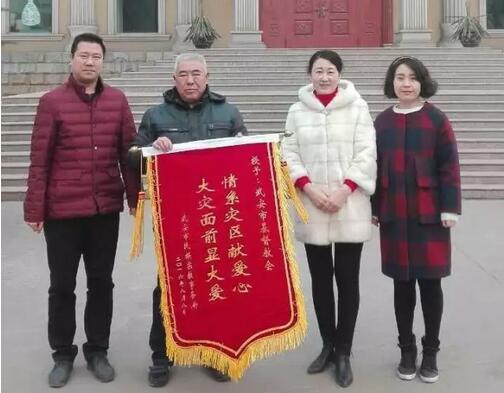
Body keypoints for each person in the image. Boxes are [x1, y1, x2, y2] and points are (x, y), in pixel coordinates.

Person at [23, 33, 139, 388]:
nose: (90, 62)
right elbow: (39, 159)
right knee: (62, 286)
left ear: (103, 61)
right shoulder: (52, 102)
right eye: (84, 55)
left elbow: (129, 155)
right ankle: (62, 354)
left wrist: (135, 200)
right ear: (72, 59)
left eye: (96, 56)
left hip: (104, 210)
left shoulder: (118, 101)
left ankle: (97, 350)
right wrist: (34, 208)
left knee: (102, 283)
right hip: (62, 213)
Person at [128, 52, 247, 387]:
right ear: (174, 78)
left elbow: (247, 153)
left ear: (207, 76)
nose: (190, 80)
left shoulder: (228, 112)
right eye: (184, 74)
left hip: (217, 219)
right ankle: (161, 355)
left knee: (215, 286)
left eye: (196, 73)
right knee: (168, 285)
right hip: (174, 220)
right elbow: (132, 156)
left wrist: (239, 147)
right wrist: (152, 146)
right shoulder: (156, 116)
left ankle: (214, 351)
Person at [281, 50, 376, 388]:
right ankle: (327, 345)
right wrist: (307, 186)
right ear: (310, 75)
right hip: (312, 203)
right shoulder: (296, 111)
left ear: (340, 74)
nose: (324, 77)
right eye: (318, 71)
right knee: (321, 281)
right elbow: (287, 154)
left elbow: (367, 153)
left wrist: (344, 190)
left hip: (348, 203)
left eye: (330, 71)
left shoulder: (357, 107)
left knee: (347, 281)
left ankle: (345, 352)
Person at [372, 56, 461, 383]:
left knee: (430, 284)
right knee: (402, 285)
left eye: (412, 77)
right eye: (399, 77)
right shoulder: (381, 122)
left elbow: (449, 167)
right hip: (394, 214)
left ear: (422, 82)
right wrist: (374, 207)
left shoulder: (436, 120)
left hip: (430, 217)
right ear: (391, 83)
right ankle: (406, 350)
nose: (406, 83)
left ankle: (431, 352)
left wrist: (450, 208)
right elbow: (374, 167)